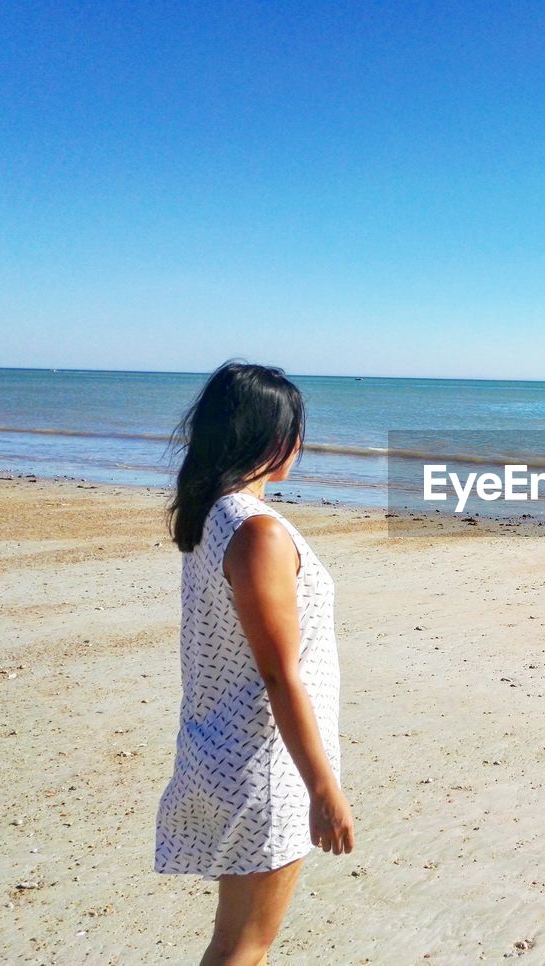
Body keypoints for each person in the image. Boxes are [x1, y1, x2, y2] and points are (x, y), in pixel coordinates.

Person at [155, 362, 354, 965]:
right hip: (265, 765)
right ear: (272, 440)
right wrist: (324, 788)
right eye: (295, 431)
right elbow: (279, 673)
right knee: (243, 947)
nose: (300, 445)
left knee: (242, 943)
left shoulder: (212, 513)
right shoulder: (258, 532)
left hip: (223, 748)